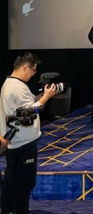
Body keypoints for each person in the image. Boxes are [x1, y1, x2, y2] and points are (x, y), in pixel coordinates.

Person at [0, 53, 57, 214]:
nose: (33, 74)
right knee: (24, 182)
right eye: (33, 70)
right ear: (25, 67)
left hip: (15, 139)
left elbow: (28, 103)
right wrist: (46, 98)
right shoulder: (17, 88)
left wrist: (43, 95)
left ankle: (7, 209)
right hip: (22, 141)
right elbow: (27, 113)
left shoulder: (10, 83)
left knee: (12, 178)